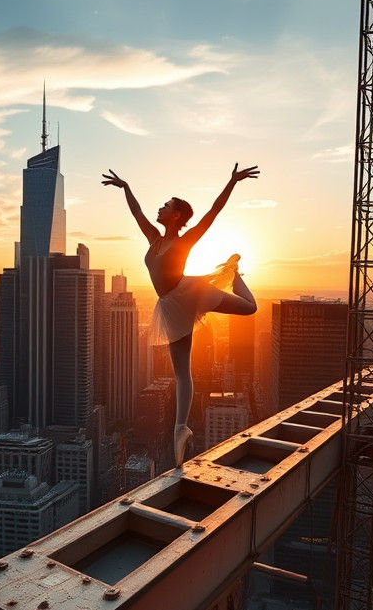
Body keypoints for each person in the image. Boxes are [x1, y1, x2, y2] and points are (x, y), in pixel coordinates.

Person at [101, 163, 259, 466]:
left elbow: (213, 212)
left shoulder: (184, 242)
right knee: (181, 371)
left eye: (166, 205)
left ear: (176, 216)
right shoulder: (154, 239)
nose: (160, 208)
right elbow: (136, 212)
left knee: (250, 308)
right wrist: (126, 187)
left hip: (189, 293)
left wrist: (232, 181)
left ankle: (233, 272)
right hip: (170, 305)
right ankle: (180, 429)